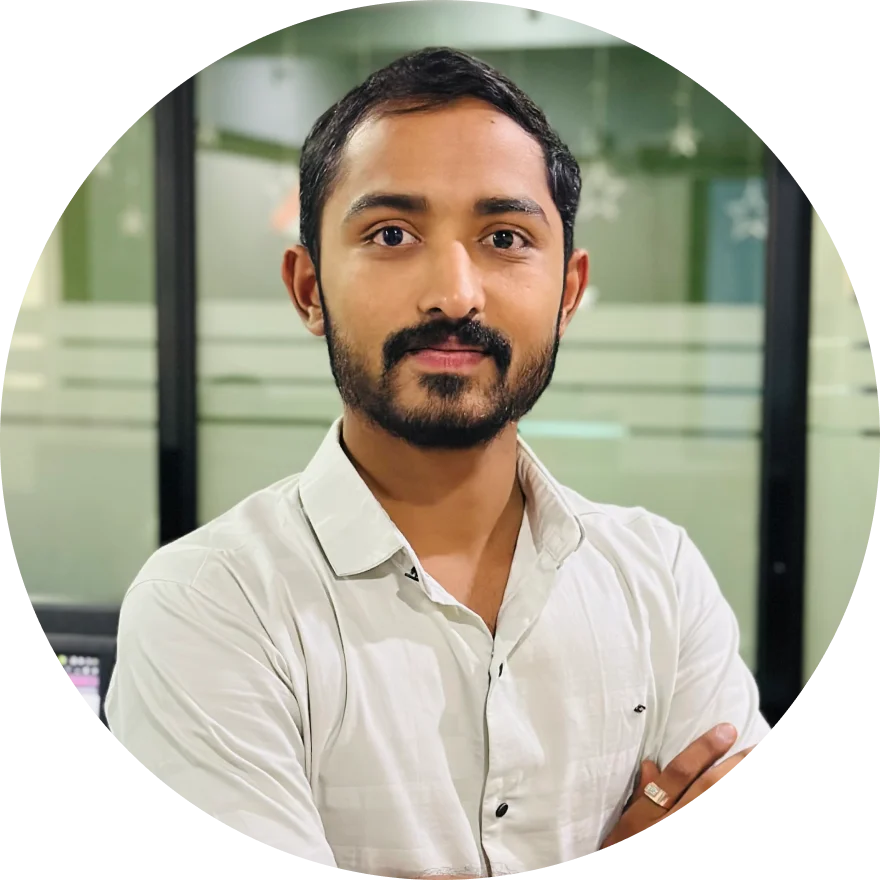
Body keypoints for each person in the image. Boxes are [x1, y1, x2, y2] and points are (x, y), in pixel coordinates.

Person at [105, 47, 772, 873]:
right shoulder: (212, 606)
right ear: (309, 289)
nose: (455, 294)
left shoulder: (658, 578)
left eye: (505, 237)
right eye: (391, 234)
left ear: (568, 293)